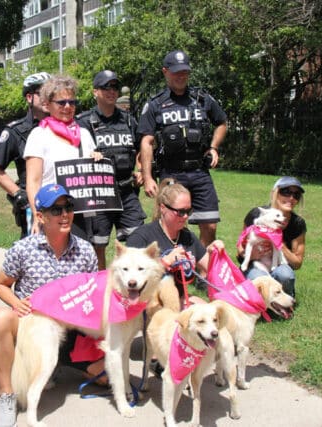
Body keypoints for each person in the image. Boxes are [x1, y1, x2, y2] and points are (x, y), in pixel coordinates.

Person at [0, 184, 103, 427]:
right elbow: (0, 285)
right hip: (34, 328)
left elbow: (95, 293)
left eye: (68, 208)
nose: (65, 215)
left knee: (106, 377)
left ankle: (59, 364)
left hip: (73, 330)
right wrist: (16, 303)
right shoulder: (23, 249)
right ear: (40, 216)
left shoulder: (85, 250)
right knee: (0, 319)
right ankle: (7, 395)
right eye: (56, 210)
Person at [137, 49, 228, 248]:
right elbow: (147, 141)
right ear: (165, 72)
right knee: (170, 224)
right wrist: (148, 177)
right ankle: (173, 267)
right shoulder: (155, 104)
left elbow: (222, 122)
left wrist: (213, 147)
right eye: (176, 72)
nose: (181, 76)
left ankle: (200, 268)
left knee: (210, 225)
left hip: (199, 171)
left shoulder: (202, 99)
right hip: (171, 173)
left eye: (185, 72)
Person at [76, 70, 145, 269]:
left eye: (114, 87)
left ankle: (132, 288)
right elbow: (76, 153)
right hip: (99, 194)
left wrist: (140, 169)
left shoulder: (129, 120)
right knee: (98, 245)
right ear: (95, 92)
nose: (111, 91)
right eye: (106, 87)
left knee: (136, 242)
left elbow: (142, 148)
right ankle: (101, 288)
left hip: (127, 191)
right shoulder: (84, 122)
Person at [23, 74, 99, 238]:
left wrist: (97, 159)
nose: (67, 106)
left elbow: (91, 170)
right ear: (47, 104)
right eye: (61, 102)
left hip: (80, 211)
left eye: (72, 102)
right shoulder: (39, 135)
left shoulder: (84, 134)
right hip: (51, 212)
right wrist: (38, 215)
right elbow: (33, 181)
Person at [127, 178, 222, 305]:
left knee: (210, 313)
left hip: (179, 300)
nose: (186, 216)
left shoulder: (188, 237)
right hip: (149, 304)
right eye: (181, 212)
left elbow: (214, 269)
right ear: (163, 208)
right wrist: (165, 262)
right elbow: (128, 277)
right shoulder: (141, 237)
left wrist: (216, 254)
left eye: (189, 211)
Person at [0, 72, 51, 237]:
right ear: (29, 97)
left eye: (51, 93)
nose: (48, 98)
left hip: (61, 202)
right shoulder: (16, 131)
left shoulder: (64, 127)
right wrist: (17, 193)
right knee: (34, 255)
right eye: (42, 93)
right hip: (34, 204)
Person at [237, 176, 307, 298]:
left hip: (279, 263)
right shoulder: (256, 214)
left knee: (285, 275)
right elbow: (239, 249)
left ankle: (285, 301)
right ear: (275, 193)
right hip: (256, 263)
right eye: (286, 192)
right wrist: (250, 255)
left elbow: (297, 264)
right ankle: (259, 305)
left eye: (296, 195)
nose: (291, 198)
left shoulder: (297, 223)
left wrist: (279, 244)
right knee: (259, 279)